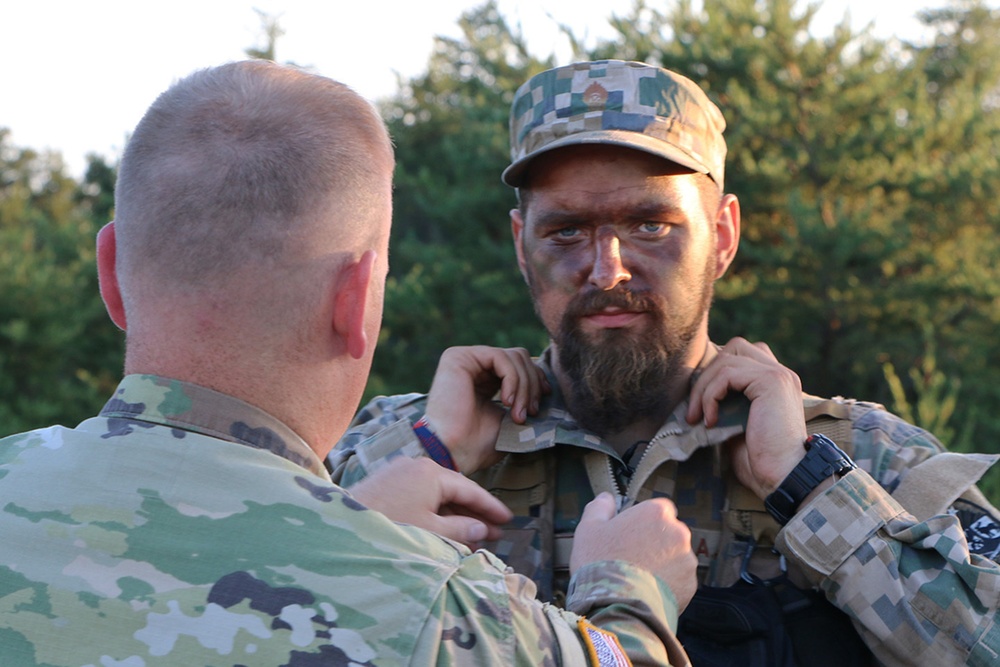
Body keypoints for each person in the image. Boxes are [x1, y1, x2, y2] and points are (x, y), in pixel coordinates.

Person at [0, 60, 702, 666]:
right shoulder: (441, 609)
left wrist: (354, 513)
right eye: (569, 229)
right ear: (358, 297)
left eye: (648, 225)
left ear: (112, 271)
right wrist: (630, 592)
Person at [330, 60, 1000, 666]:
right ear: (519, 244)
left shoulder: (862, 457)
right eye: (566, 230)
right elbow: (259, 616)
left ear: (723, 236)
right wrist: (427, 457)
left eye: (651, 225)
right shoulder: (407, 446)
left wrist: (807, 484)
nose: (607, 269)